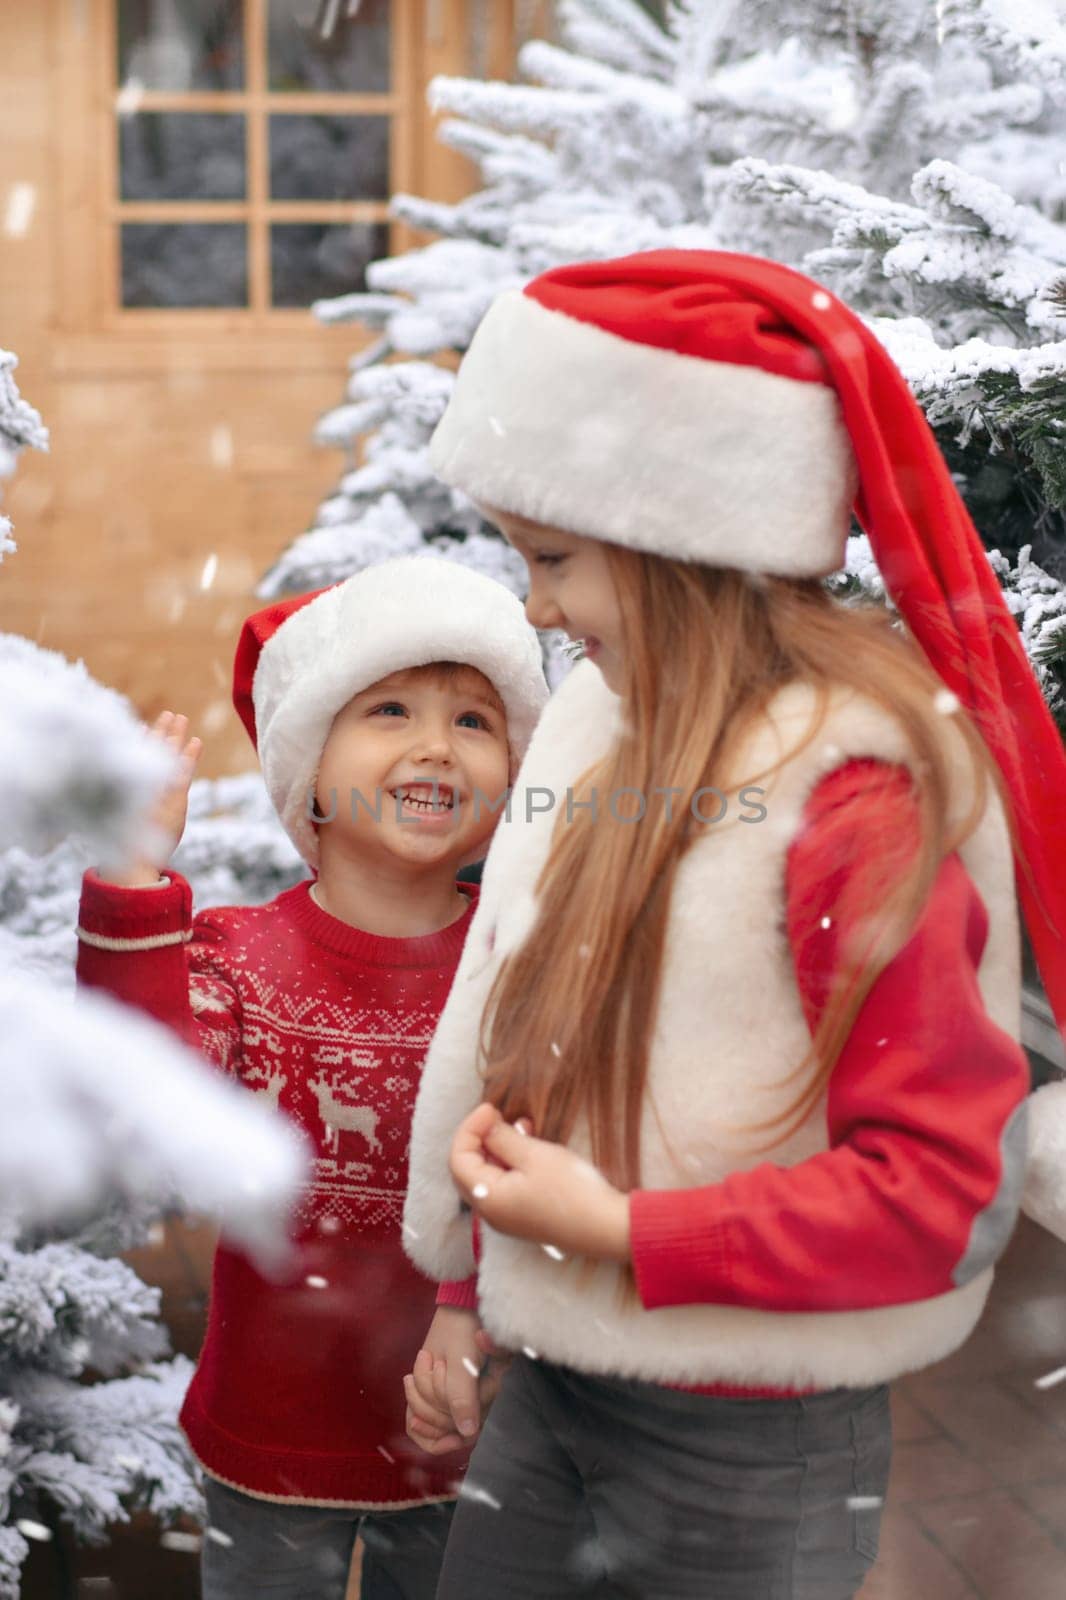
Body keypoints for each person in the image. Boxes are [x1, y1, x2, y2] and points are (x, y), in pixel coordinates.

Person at [398, 252, 1066, 1599]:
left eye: (554, 559)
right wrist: (469, 1295)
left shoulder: (852, 800)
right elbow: (516, 1017)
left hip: (750, 1448)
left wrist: (627, 1234)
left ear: (678, 542)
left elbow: (933, 1195)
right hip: (553, 1393)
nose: (531, 606)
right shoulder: (603, 719)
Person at [74, 556, 548, 1600]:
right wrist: (134, 876)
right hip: (271, 1437)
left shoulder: (516, 969)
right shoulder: (239, 958)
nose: (435, 743)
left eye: (474, 719)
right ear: (309, 769)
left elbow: (549, 1171)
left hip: (467, 1433)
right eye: (390, 708)